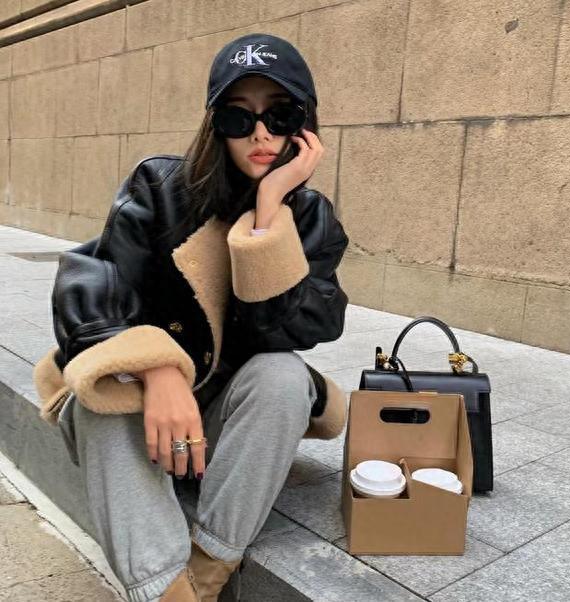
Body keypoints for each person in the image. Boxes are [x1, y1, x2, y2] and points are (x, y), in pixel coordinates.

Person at [32, 33, 349, 602]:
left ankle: (206, 572)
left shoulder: (311, 220)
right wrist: (157, 369)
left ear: (305, 126)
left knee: (283, 374)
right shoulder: (160, 187)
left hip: (224, 428)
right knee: (97, 397)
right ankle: (166, 593)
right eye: (237, 117)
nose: (260, 133)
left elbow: (295, 328)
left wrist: (268, 214)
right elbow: (93, 289)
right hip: (144, 421)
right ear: (214, 124)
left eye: (280, 115)